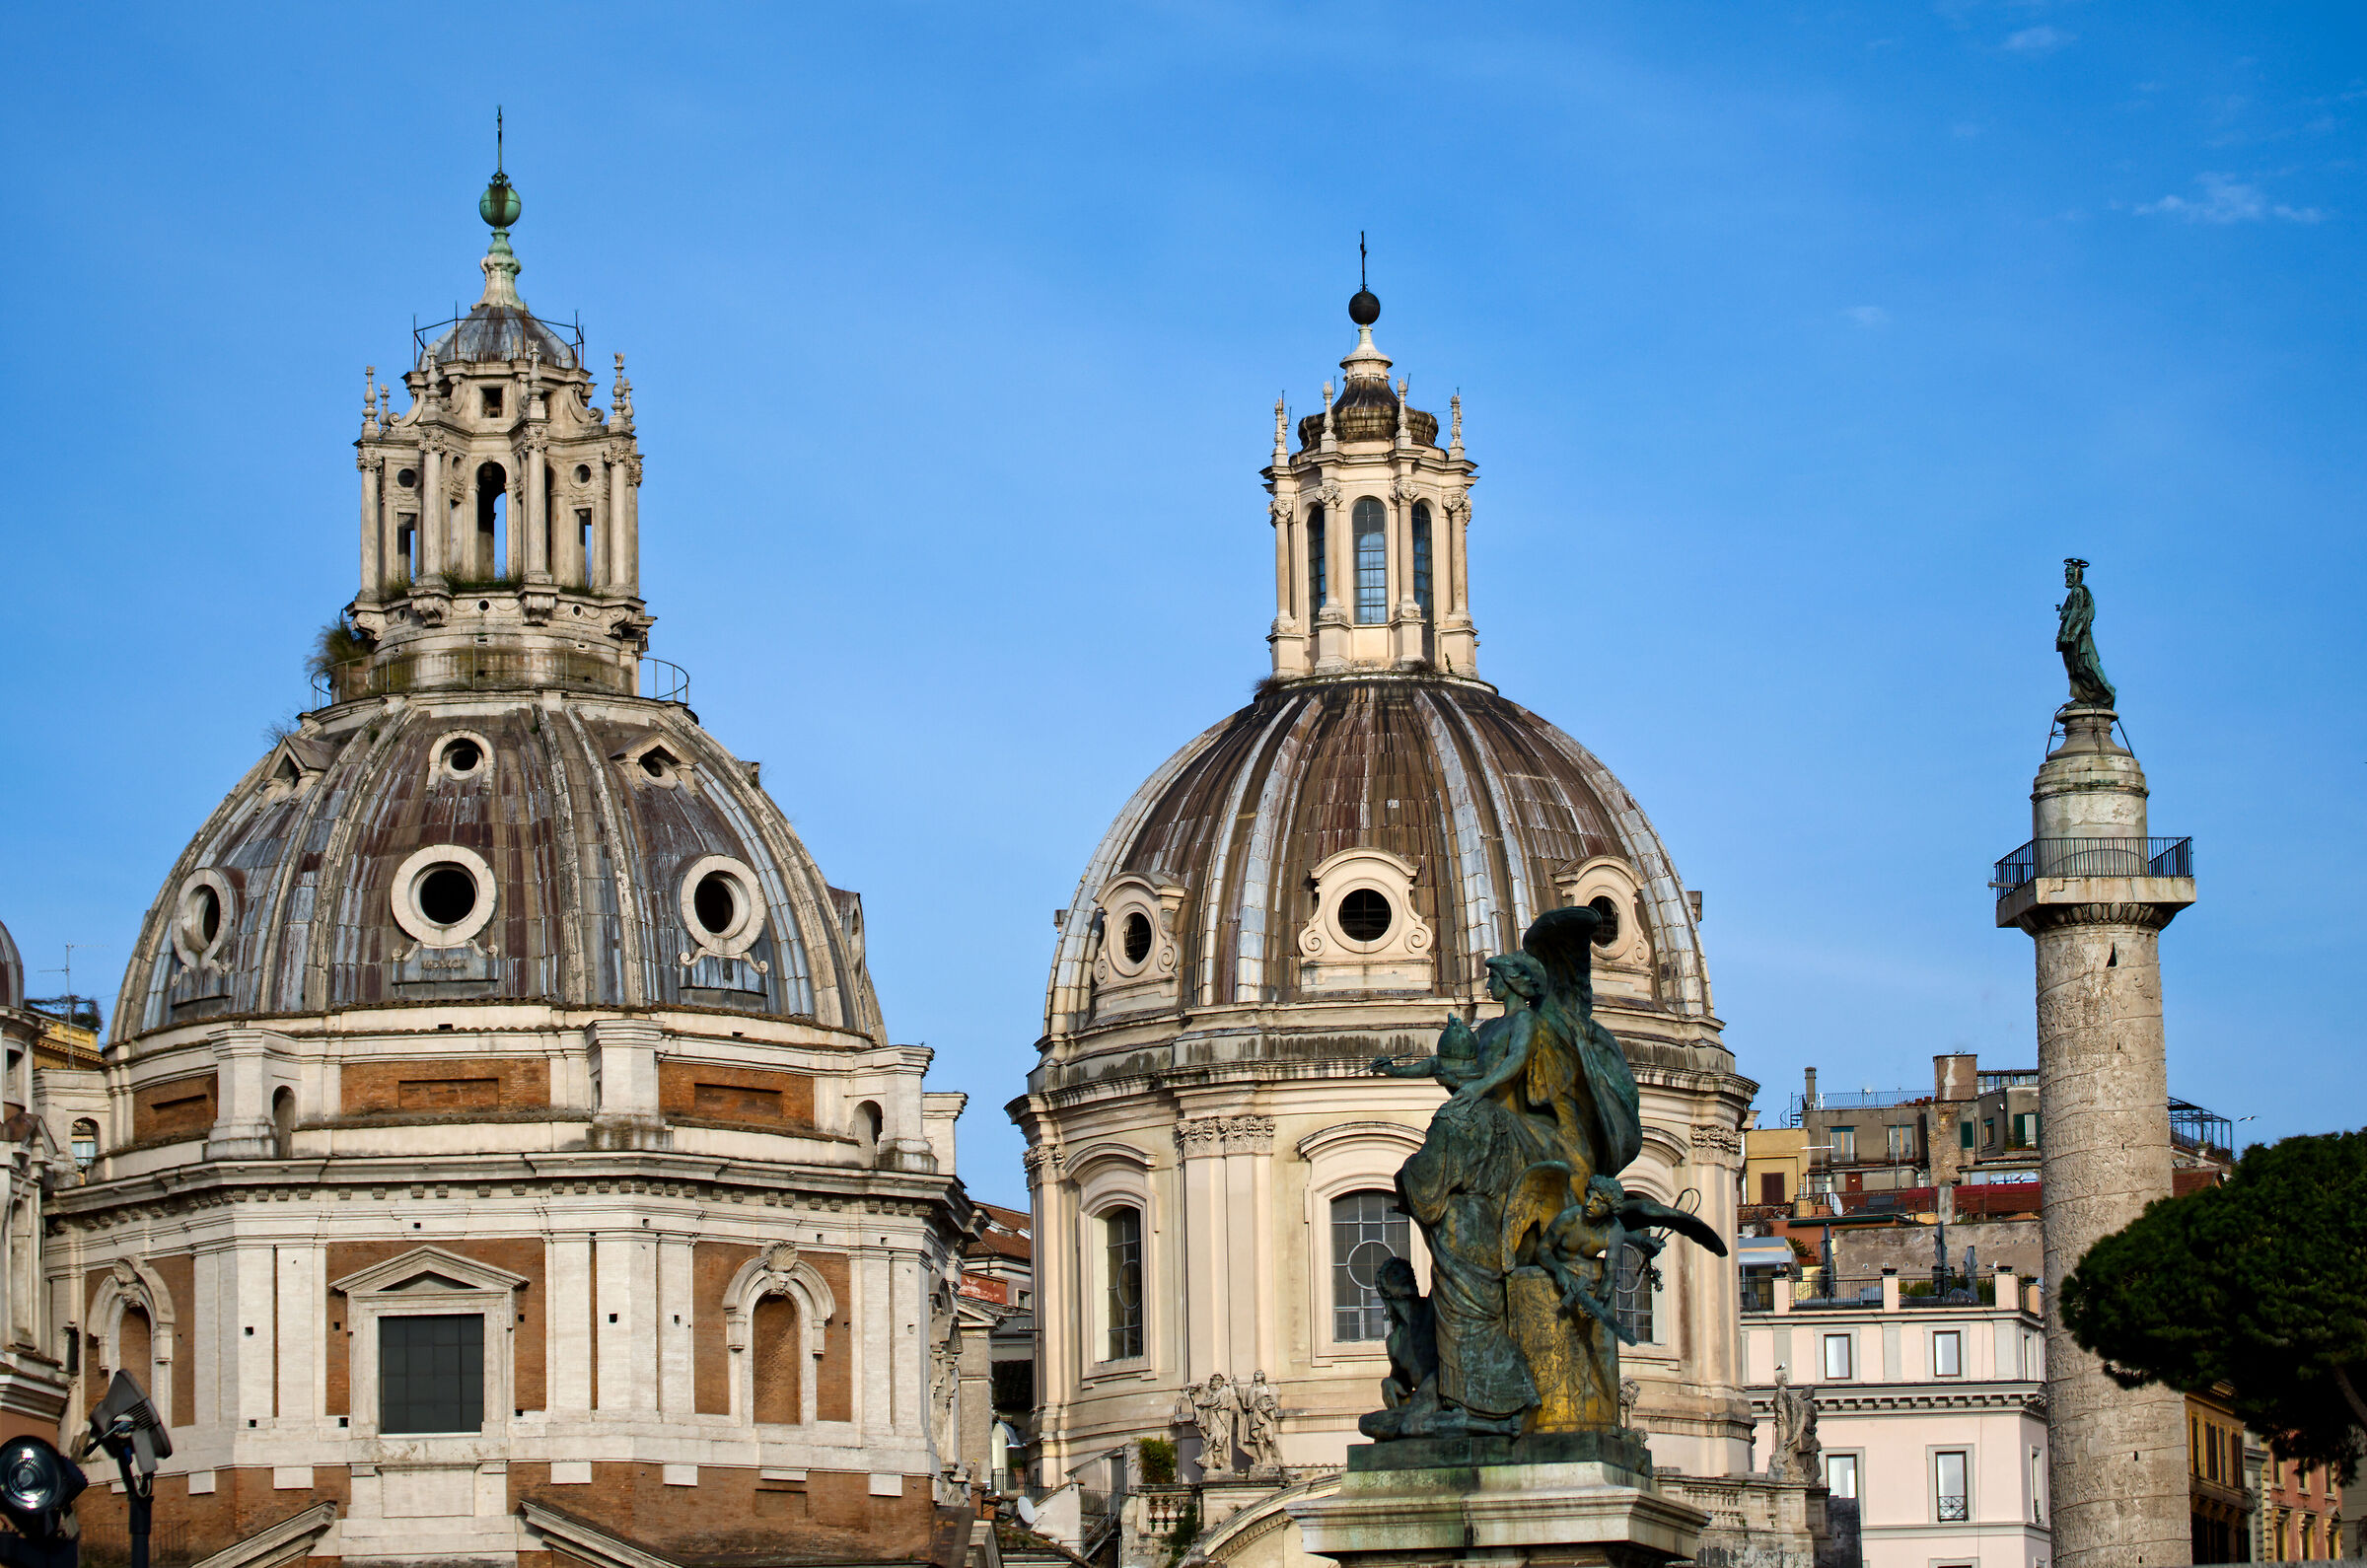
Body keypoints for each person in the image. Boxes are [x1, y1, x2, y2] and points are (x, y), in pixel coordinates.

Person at [2055, 557, 2116, 708]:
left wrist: (2067, 631)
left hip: (2077, 638)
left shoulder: (2078, 591)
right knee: (2075, 667)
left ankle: (2101, 694)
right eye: (2066, 575)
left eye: (2070, 575)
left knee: (2082, 666)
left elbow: (2076, 612)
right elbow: (2072, 611)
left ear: (2078, 576)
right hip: (2073, 638)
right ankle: (2082, 696)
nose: (2068, 578)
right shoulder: (2075, 593)